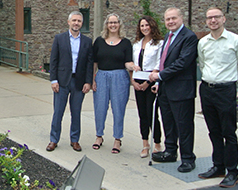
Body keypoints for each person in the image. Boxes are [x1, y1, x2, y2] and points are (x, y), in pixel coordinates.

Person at [197, 7, 238, 188]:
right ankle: (218, 166)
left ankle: (232, 172)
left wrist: (234, 87)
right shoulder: (203, 42)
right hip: (207, 90)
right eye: (209, 17)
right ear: (206, 20)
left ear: (224, 19)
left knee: (229, 132)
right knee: (213, 131)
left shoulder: (236, 41)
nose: (213, 21)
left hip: (226, 91)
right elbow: (203, 64)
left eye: (216, 17)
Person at [149, 7, 198, 173]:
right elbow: (165, 62)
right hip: (166, 90)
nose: (170, 21)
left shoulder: (189, 37)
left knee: (183, 126)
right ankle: (170, 151)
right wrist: (159, 79)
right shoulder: (168, 37)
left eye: (173, 18)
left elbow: (183, 63)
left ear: (181, 18)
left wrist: (160, 75)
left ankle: (188, 159)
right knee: (168, 123)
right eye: (167, 19)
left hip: (182, 90)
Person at [47, 11, 94, 152]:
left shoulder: (87, 41)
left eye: (79, 21)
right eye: (74, 20)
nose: (76, 23)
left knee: (76, 112)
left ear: (82, 23)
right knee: (58, 112)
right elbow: (53, 61)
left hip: (79, 82)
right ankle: (53, 140)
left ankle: (75, 140)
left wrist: (88, 82)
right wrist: (53, 80)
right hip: (61, 82)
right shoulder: (59, 39)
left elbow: (89, 64)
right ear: (68, 22)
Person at [92, 13, 133, 154]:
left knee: (118, 108)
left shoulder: (126, 42)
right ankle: (99, 136)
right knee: (100, 108)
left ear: (119, 24)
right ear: (106, 25)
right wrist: (92, 79)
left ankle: (117, 139)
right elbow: (94, 62)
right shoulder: (99, 41)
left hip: (120, 77)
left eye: (115, 22)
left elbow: (128, 61)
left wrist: (134, 67)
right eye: (110, 23)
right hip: (102, 75)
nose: (113, 25)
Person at [126, 16, 164, 158]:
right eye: (142, 26)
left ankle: (157, 143)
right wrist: (133, 82)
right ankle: (145, 144)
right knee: (142, 114)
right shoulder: (137, 44)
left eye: (147, 25)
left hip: (151, 81)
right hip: (137, 82)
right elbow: (131, 64)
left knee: (152, 114)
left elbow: (160, 64)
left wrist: (147, 83)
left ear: (152, 26)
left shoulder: (159, 43)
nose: (144, 28)